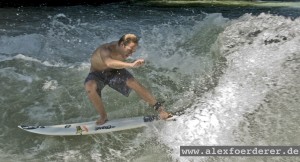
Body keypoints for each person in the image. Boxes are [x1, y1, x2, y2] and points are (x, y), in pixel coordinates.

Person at [84, 34, 171, 125]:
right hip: (97, 73)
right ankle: (103, 116)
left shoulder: (124, 51)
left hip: (114, 71)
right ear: (122, 44)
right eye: (130, 50)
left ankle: (160, 109)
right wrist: (131, 65)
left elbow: (115, 65)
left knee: (132, 82)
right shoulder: (105, 49)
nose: (131, 54)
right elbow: (109, 63)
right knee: (89, 86)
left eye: (133, 51)